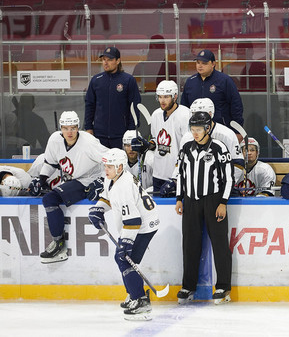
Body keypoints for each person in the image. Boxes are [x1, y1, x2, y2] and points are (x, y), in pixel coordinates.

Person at [87, 148, 159, 321]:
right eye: (105, 166)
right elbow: (106, 197)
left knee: (125, 259)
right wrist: (98, 209)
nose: (106, 169)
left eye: (110, 166)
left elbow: (133, 221)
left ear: (120, 167)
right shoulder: (113, 178)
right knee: (123, 258)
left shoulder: (124, 186)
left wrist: (125, 243)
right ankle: (133, 294)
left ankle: (140, 300)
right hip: (137, 224)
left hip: (144, 226)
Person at [28, 111, 108, 264]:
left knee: (50, 199)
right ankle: (58, 243)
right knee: (49, 197)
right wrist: (41, 179)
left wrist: (102, 181)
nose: (69, 132)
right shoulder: (55, 140)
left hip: (88, 179)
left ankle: (58, 244)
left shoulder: (89, 142)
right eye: (65, 128)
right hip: (72, 180)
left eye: (73, 128)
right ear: (60, 128)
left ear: (78, 127)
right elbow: (51, 163)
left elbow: (112, 158)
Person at [175, 111, 233, 305]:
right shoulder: (186, 148)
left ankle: (223, 286)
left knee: (220, 245)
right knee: (189, 244)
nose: (195, 133)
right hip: (190, 201)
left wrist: (223, 202)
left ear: (208, 128)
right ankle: (188, 286)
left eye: (199, 129)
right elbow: (180, 175)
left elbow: (228, 177)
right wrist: (179, 198)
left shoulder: (218, 147)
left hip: (214, 200)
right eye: (192, 129)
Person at [132, 80, 191, 196]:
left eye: (166, 97)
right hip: (158, 174)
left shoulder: (185, 114)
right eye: (160, 97)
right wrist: (146, 145)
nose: (162, 101)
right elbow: (156, 140)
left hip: (177, 175)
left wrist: (176, 178)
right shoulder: (156, 115)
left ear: (175, 96)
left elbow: (188, 148)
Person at [176, 98, 244, 187]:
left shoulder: (227, 134)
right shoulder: (187, 137)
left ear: (210, 114)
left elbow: (238, 164)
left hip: (221, 188)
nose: (195, 118)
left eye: (199, 114)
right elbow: (180, 163)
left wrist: (225, 184)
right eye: (193, 114)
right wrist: (175, 181)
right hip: (194, 189)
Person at [84, 47, 141, 149]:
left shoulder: (128, 80)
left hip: (121, 135)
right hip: (99, 135)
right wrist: (88, 127)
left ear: (118, 61)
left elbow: (134, 106)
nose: (106, 63)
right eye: (104, 59)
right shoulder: (96, 80)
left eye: (110, 60)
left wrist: (131, 131)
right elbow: (89, 105)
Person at [180, 49, 244, 133]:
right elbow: (184, 107)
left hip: (221, 129)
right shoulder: (190, 82)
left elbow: (236, 106)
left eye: (204, 63)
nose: (200, 66)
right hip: (196, 131)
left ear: (213, 64)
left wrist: (238, 131)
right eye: (198, 62)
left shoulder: (224, 80)